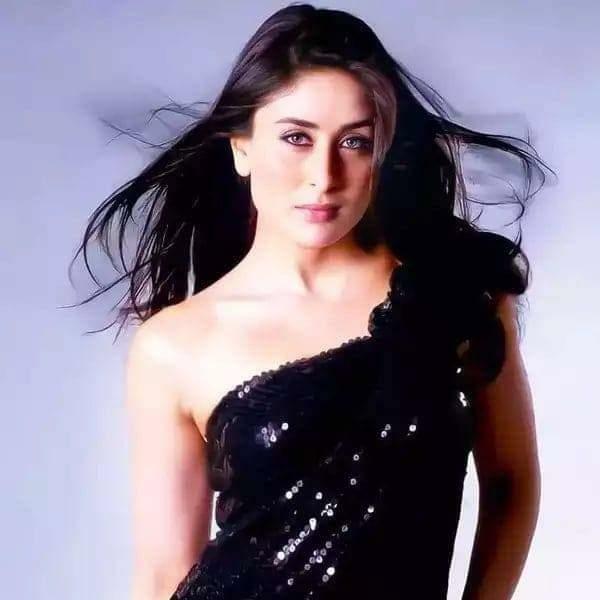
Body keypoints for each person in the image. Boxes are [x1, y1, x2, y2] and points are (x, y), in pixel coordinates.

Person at [70, 4, 551, 599]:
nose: (324, 174)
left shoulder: (455, 295)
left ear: (383, 153)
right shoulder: (174, 344)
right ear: (242, 147)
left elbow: (510, 484)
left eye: (355, 142)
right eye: (296, 138)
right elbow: (163, 573)